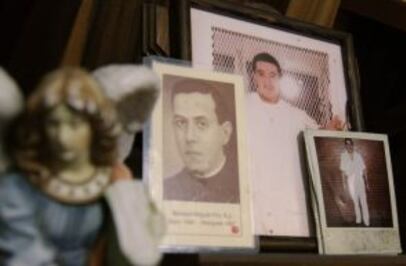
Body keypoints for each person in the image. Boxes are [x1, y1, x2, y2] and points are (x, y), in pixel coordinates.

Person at [0, 68, 163, 266]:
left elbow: (141, 256)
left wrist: (124, 192)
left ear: (94, 126)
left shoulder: (109, 180)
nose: (62, 137)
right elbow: (25, 256)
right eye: (54, 124)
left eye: (74, 124)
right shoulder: (17, 187)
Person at [247, 52, 344, 236]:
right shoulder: (242, 104)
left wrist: (333, 128)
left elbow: (321, 138)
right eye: (261, 73)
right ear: (254, 77)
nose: (267, 80)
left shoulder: (296, 114)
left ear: (280, 78)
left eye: (273, 75)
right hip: (255, 207)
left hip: (290, 209)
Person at [163, 78, 240, 203]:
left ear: (225, 133)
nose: (189, 137)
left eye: (202, 124)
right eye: (181, 123)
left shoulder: (243, 186)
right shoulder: (165, 190)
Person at [340, 138, 370, 226]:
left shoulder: (358, 155)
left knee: (363, 200)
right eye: (347, 144)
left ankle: (366, 220)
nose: (349, 146)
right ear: (345, 146)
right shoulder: (343, 156)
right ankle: (358, 219)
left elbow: (364, 169)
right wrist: (344, 184)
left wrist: (367, 183)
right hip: (350, 179)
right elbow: (342, 172)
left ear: (352, 145)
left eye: (350, 144)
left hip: (359, 178)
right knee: (355, 201)